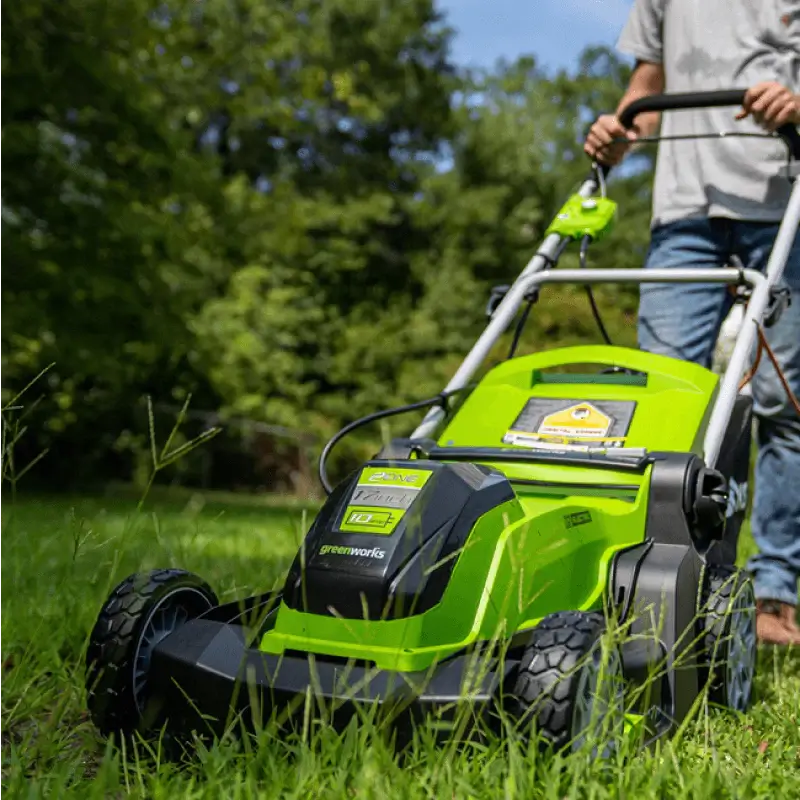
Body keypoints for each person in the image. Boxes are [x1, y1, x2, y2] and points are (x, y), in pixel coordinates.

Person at [583, 0, 800, 645]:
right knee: (664, 400)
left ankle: (775, 594)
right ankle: (656, 575)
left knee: (783, 403)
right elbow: (647, 89)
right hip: (683, 211)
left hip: (782, 195)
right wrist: (621, 131)